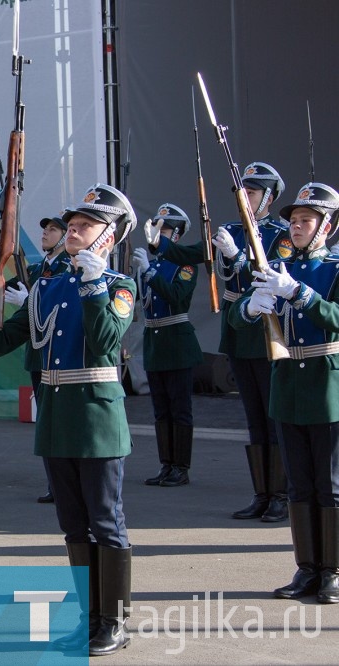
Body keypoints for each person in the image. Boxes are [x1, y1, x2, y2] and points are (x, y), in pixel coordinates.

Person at [0, 183, 137, 656]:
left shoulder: (118, 287)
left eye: (86, 224)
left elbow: (107, 339)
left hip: (96, 417)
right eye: (72, 223)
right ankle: (88, 616)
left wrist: (92, 285)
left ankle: (115, 619)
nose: (73, 230)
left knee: (105, 521)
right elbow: (4, 341)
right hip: (56, 417)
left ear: (109, 237)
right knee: (72, 524)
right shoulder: (48, 284)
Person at [151, 162, 290, 522]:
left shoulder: (281, 234)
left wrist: (236, 256)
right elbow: (188, 254)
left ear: (269, 198)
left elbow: (272, 275)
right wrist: (159, 242)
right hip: (239, 333)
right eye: (242, 191)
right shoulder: (229, 229)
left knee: (273, 417)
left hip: (266, 331)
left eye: (254, 192)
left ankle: (281, 494)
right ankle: (262, 492)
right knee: (254, 418)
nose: (245, 198)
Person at [229, 182, 339, 604]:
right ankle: (307, 568)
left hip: (328, 384)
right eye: (293, 220)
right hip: (288, 384)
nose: (296, 227)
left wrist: (299, 293)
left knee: (329, 484)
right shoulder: (276, 264)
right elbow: (238, 322)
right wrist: (251, 306)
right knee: (298, 485)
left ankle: (332, 570)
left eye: (306, 220)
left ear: (326, 226)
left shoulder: (333, 269)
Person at [0, 215, 71, 503]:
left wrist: (28, 302)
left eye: (53, 230)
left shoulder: (67, 268)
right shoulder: (37, 269)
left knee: (62, 423)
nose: (45, 234)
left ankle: (66, 485)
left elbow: (59, 310)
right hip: (38, 358)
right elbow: (0, 288)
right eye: (45, 229)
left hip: (59, 358)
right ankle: (55, 483)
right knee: (47, 424)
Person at [131, 204, 203, 487]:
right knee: (161, 409)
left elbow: (175, 297)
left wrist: (149, 273)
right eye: (156, 228)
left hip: (176, 341)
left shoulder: (185, 265)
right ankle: (166, 465)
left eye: (165, 229)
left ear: (176, 234)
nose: (158, 233)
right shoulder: (151, 264)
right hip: (154, 342)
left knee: (180, 408)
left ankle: (181, 468)